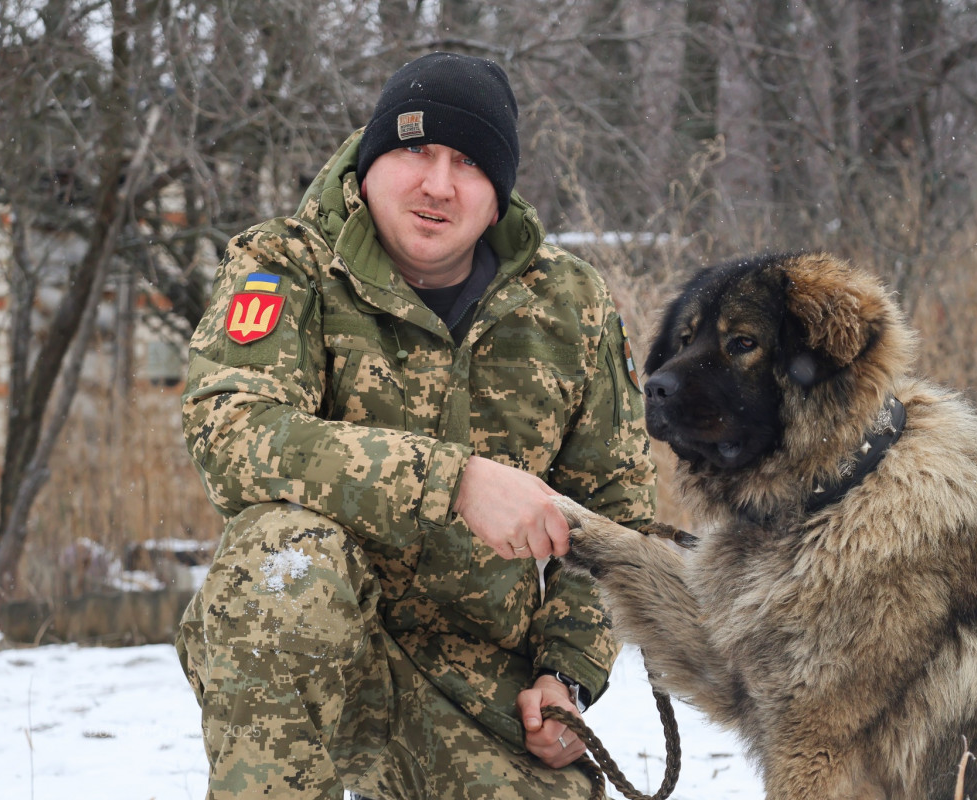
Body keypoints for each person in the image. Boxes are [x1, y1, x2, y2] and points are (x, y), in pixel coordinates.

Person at [175, 51, 656, 800]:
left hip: (478, 686)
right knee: (283, 556)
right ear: (368, 165)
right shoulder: (286, 265)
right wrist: (453, 481)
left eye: (467, 162)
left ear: (496, 199)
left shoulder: (571, 304)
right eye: (414, 149)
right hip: (312, 664)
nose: (437, 183)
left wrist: (568, 675)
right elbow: (231, 432)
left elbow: (615, 514)